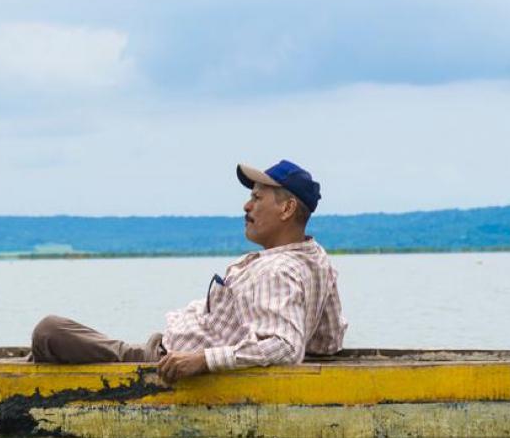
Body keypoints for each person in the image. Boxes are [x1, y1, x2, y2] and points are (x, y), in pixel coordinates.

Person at [25, 160, 346, 383]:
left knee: (49, 331)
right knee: (56, 343)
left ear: (287, 209)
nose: (247, 207)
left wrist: (203, 360)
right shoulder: (316, 259)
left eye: (256, 198)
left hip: (165, 362)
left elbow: (286, 347)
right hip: (176, 350)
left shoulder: (277, 270)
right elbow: (327, 343)